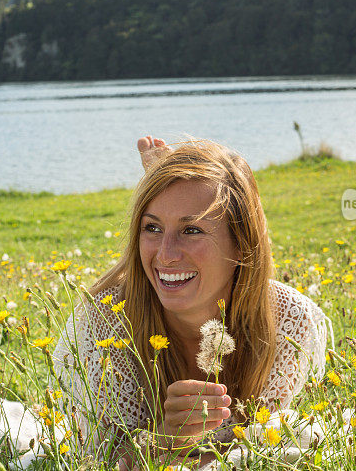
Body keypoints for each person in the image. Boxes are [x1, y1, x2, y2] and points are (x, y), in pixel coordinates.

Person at [51, 137, 330, 468]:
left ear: (242, 243)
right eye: (152, 227)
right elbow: (94, 460)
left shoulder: (287, 320)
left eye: (192, 230)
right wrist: (167, 439)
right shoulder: (106, 323)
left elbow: (267, 446)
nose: (165, 255)